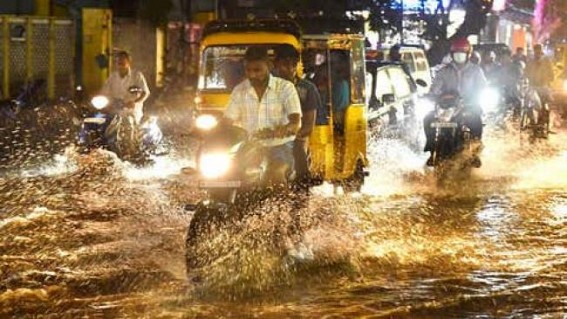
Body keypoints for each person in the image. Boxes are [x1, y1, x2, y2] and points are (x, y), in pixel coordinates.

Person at [224, 46, 302, 186]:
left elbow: (296, 122)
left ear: (269, 66)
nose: (252, 75)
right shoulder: (239, 90)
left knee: (275, 174)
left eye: (257, 70)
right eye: (249, 70)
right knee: (229, 175)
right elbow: (226, 121)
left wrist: (284, 130)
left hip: (280, 146)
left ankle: (279, 207)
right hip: (250, 146)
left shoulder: (285, 88)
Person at [424, 38, 487, 167]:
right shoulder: (444, 71)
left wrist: (475, 97)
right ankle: (431, 150)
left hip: (468, 106)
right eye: (456, 54)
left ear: (468, 55)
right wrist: (430, 95)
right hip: (446, 108)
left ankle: (475, 154)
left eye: (462, 54)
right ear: (452, 55)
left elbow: (482, 87)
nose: (459, 57)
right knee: (428, 119)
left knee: (476, 121)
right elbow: (436, 87)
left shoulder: (476, 71)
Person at [273, 44, 324, 188]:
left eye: (293, 65)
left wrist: (288, 134)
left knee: (298, 148)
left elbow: (308, 127)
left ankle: (303, 181)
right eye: (284, 64)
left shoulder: (307, 89)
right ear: (275, 64)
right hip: (267, 137)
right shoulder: (265, 88)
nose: (289, 69)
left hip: (294, 138)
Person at [100, 50, 150, 124]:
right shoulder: (112, 77)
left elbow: (145, 92)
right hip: (115, 113)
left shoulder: (137, 76)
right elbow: (104, 93)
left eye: (123, 62)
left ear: (128, 62)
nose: (120, 64)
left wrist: (135, 102)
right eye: (118, 62)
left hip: (132, 113)